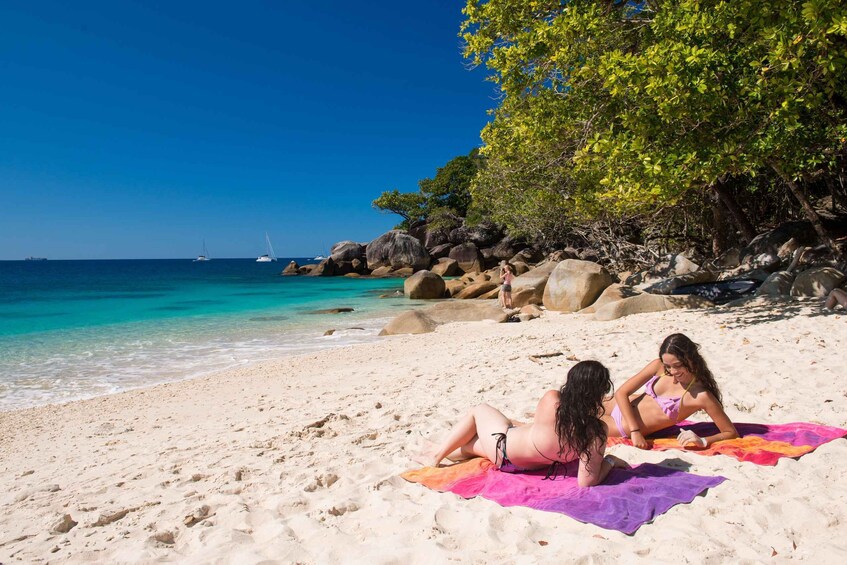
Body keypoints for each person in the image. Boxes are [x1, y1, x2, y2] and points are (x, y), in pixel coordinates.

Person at [427, 361, 628, 487]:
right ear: (600, 393)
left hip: (503, 450)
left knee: (480, 410)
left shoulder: (552, 400)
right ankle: (436, 451)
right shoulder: (597, 432)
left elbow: (542, 427)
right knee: (471, 445)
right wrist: (609, 461)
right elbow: (587, 481)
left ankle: (436, 456)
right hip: (522, 467)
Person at [602, 333, 738, 449]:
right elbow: (622, 392)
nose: (672, 372)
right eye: (668, 366)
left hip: (621, 426)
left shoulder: (701, 396)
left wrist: (703, 441)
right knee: (582, 402)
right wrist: (635, 430)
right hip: (621, 405)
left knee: (581, 424)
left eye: (677, 365)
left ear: (691, 359)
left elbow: (730, 432)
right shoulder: (658, 366)